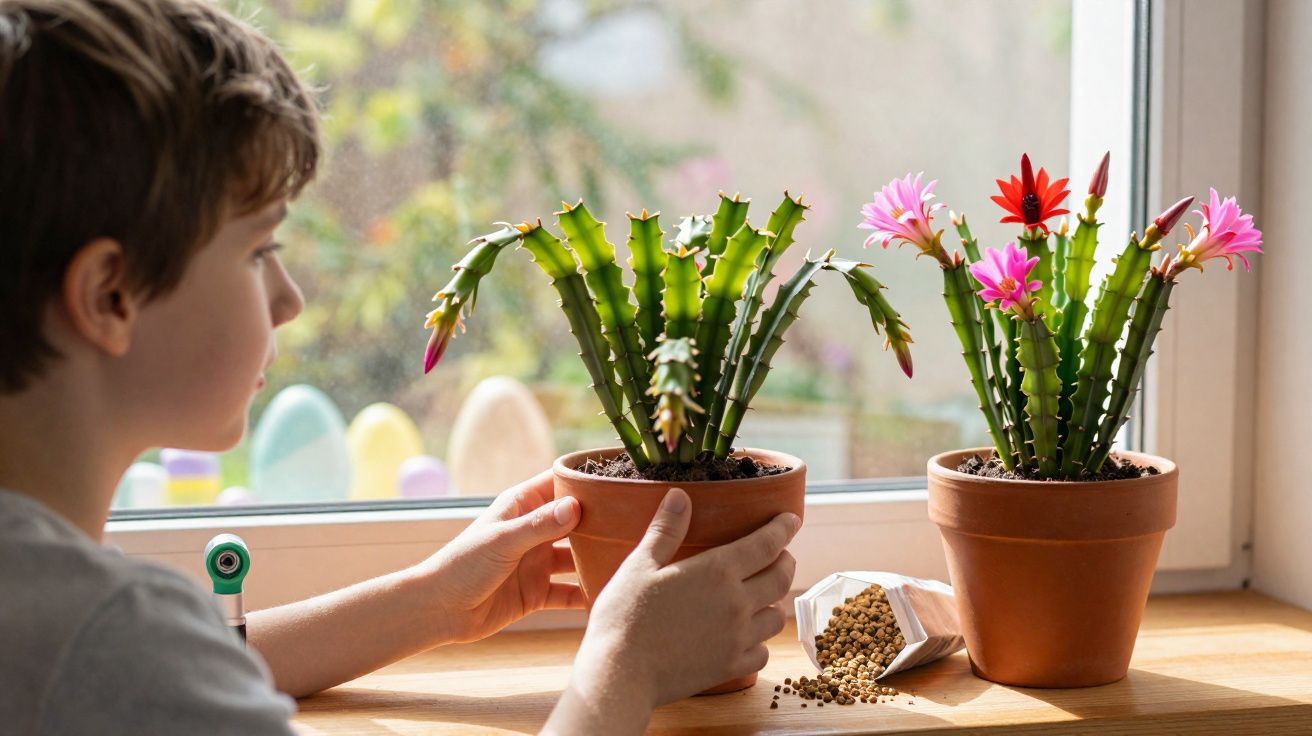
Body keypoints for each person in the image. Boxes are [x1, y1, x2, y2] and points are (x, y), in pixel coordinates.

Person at [0, 1, 799, 734]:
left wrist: (431, 603)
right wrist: (628, 667)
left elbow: (168, 676)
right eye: (259, 250)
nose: (290, 300)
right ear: (110, 296)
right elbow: (146, 670)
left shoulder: (66, 624)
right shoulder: (104, 639)